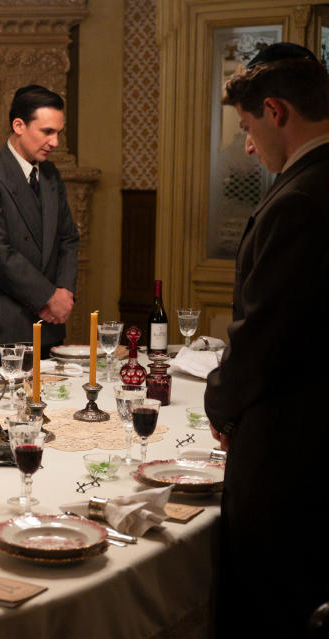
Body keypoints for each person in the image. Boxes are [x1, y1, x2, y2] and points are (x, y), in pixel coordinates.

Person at [205, 42, 329, 638]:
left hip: (291, 446)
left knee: (268, 604)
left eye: (248, 124)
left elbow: (266, 333)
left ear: (276, 111)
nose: (247, 144)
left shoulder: (302, 198)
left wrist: (220, 404)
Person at [0, 84, 80, 363]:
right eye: (47, 132)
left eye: (58, 133)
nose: (55, 142)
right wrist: (47, 297)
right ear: (18, 125)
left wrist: (63, 295)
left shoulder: (51, 175)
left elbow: (69, 239)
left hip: (51, 325)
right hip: (7, 327)